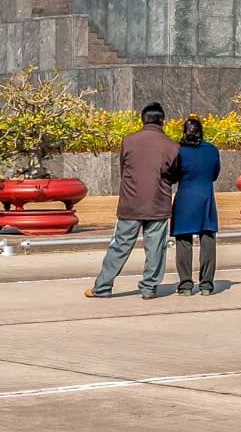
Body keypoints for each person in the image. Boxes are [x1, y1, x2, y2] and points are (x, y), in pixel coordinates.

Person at [85, 102, 178, 301]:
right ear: (163, 121)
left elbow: (123, 170)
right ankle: (149, 287)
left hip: (131, 202)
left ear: (142, 120)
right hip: (157, 203)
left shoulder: (128, 141)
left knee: (120, 245)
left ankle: (102, 286)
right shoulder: (170, 145)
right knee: (155, 249)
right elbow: (174, 174)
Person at [171, 115, 221, 296]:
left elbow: (173, 175)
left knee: (183, 241)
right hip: (205, 197)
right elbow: (215, 174)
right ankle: (206, 284)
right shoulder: (212, 150)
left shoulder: (178, 150)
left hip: (185, 198)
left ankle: (185, 284)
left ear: (184, 132)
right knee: (208, 239)